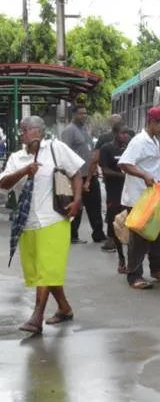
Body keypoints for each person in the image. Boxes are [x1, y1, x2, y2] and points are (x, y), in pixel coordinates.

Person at [0, 116, 83, 333]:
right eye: (21, 130)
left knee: (46, 269)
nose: (22, 134)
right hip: (27, 222)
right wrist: (24, 171)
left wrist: (77, 200)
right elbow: (3, 184)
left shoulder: (56, 148)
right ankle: (64, 308)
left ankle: (37, 316)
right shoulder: (16, 158)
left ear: (38, 131)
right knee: (42, 270)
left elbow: (76, 174)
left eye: (25, 129)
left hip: (53, 219)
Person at [118, 106, 160, 290]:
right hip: (138, 198)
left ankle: (157, 269)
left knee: (158, 235)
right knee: (138, 239)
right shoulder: (139, 141)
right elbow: (124, 164)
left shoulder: (155, 140)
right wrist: (143, 175)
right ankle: (134, 275)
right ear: (152, 122)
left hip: (155, 196)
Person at [61, 104, 107, 245]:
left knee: (95, 205)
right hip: (77, 176)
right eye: (81, 113)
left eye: (85, 113)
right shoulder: (69, 131)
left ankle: (98, 234)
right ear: (74, 114)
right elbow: (65, 153)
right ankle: (72, 235)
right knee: (77, 206)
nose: (84, 116)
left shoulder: (85, 130)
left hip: (90, 175)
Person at [99, 123, 131, 272]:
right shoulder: (107, 149)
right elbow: (105, 170)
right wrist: (121, 175)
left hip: (128, 192)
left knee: (130, 225)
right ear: (115, 134)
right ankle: (121, 259)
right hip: (114, 192)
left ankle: (131, 259)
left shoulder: (129, 147)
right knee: (117, 226)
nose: (126, 136)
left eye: (127, 133)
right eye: (123, 133)